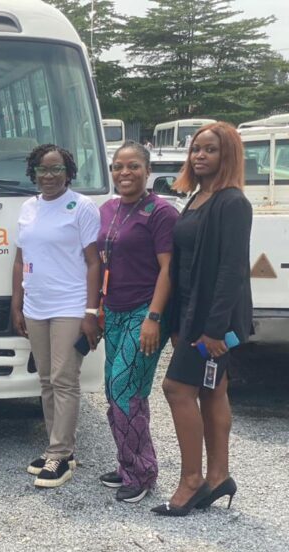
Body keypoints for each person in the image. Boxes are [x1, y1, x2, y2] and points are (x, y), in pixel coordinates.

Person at [152, 122, 252, 516]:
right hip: (190, 314)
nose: (199, 156)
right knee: (213, 391)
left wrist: (214, 331)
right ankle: (219, 476)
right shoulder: (196, 197)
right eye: (196, 149)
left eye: (209, 150)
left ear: (226, 155)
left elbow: (232, 271)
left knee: (176, 388)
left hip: (213, 322)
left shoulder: (232, 203)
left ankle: (192, 480)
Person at [12, 144, 101, 488]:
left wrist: (91, 312)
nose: (49, 177)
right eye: (42, 170)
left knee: (65, 379)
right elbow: (21, 260)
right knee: (46, 379)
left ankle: (59, 454)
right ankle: (58, 448)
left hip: (70, 305)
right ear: (32, 172)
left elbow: (94, 261)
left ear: (69, 172)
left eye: (56, 169)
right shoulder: (28, 208)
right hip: (37, 306)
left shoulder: (81, 207)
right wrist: (16, 304)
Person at [97, 141, 179, 503]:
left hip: (144, 313)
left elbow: (169, 269)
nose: (124, 173)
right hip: (113, 311)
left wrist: (154, 317)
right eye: (118, 167)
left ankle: (142, 473)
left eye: (133, 166)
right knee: (115, 392)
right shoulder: (109, 209)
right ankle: (128, 463)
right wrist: (98, 306)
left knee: (127, 390)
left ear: (148, 171)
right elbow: (103, 263)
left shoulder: (161, 212)